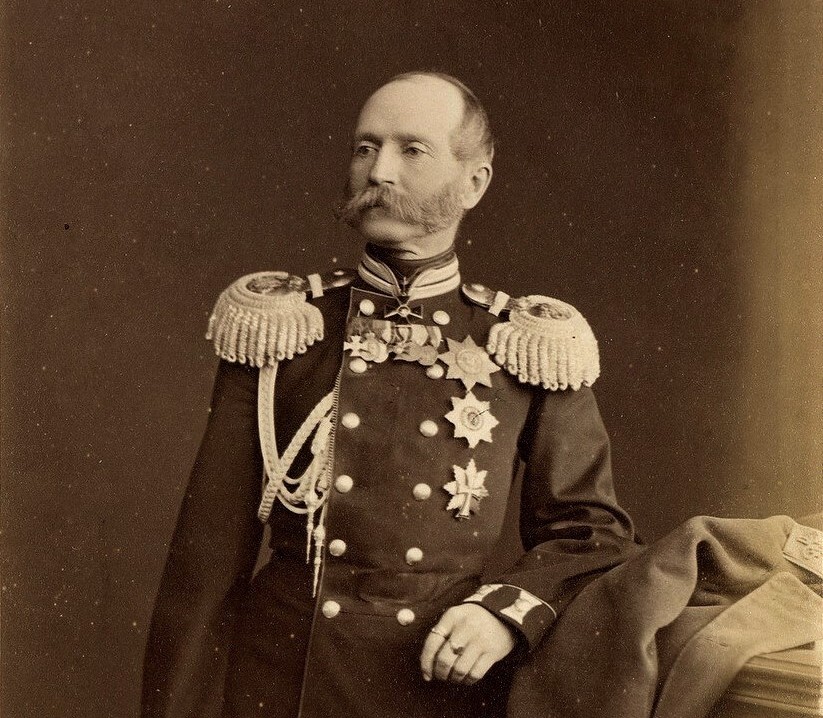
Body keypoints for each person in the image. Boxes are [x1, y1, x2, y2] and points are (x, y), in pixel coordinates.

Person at [141, 71, 639, 718]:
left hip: (437, 688)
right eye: (365, 147)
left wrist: (502, 614)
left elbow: (591, 534)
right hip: (281, 685)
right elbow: (204, 566)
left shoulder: (522, 345)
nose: (378, 171)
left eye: (412, 150)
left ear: (474, 182)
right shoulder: (287, 329)